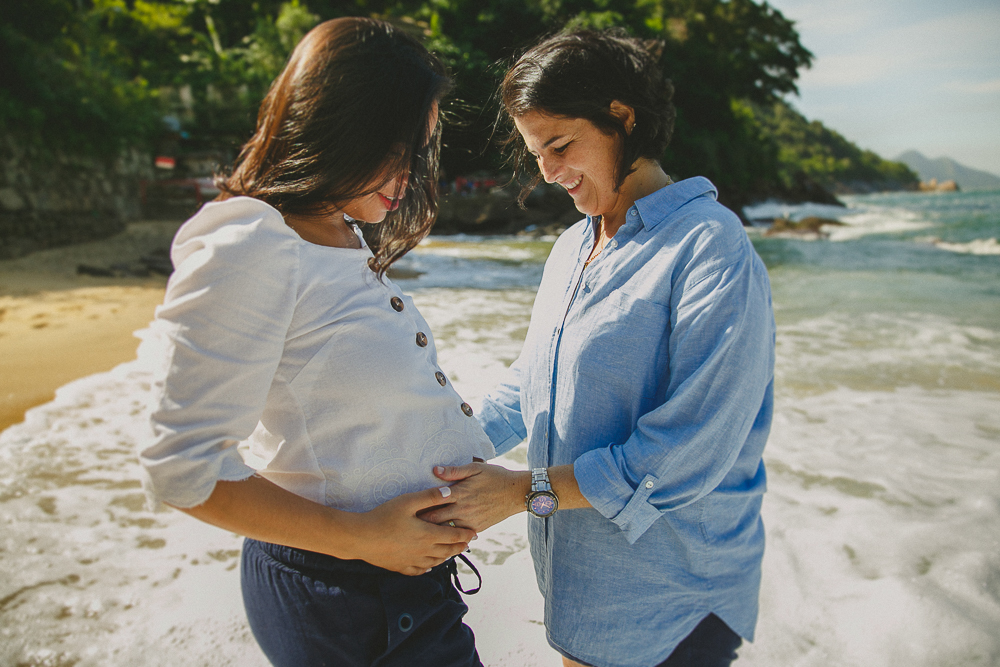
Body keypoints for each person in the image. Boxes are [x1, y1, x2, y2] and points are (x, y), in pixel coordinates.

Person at [137, 17, 493, 667]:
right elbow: (178, 467)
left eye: (422, 150)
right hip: (349, 598)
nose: (412, 173)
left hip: (392, 589)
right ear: (345, 123)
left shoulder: (331, 230)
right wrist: (362, 537)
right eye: (402, 146)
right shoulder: (251, 243)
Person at [422, 28, 775, 667]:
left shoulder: (710, 245)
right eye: (537, 154)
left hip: (673, 599)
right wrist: (441, 456)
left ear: (621, 117)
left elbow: (687, 451)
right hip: (586, 593)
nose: (551, 174)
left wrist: (520, 492)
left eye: (560, 145)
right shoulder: (572, 246)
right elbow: (530, 382)